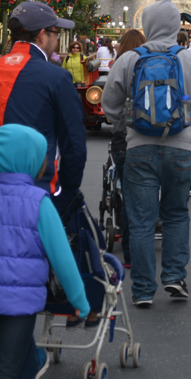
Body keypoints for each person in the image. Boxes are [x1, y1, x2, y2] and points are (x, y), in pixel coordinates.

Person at [102, 0, 191, 307]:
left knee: (140, 221)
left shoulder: (128, 60)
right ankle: (175, 277)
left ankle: (141, 289)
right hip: (180, 149)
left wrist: (124, 127)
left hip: (139, 149)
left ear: (148, 24)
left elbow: (109, 103)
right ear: (175, 25)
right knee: (177, 214)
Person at [0, 124, 91, 379]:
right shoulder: (38, 201)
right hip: (18, 307)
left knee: (26, 362)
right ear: (29, 160)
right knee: (7, 368)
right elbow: (62, 259)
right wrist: (80, 302)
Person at [0, 1, 86, 202]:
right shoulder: (57, 78)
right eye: (55, 33)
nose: (56, 39)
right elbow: (74, 146)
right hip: (36, 192)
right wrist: (67, 192)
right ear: (42, 35)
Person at [110, 30, 147, 268]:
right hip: (149, 136)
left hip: (124, 139)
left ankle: (130, 256)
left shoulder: (120, 63)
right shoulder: (150, 62)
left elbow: (109, 103)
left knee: (128, 196)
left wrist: (120, 127)